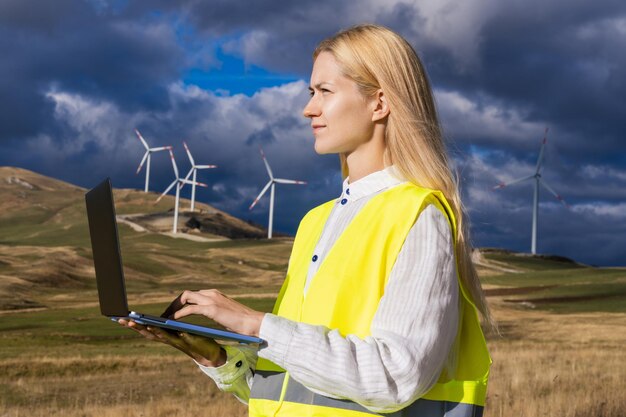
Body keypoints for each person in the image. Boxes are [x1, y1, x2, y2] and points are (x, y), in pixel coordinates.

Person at [119, 23, 493, 417]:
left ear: (379, 103)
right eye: (311, 93)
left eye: (324, 92)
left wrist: (255, 324)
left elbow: (394, 377)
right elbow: (295, 388)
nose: (308, 108)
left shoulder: (418, 215)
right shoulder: (316, 222)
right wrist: (216, 358)